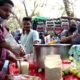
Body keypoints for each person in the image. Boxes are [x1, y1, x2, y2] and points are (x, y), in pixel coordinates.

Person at [0, 0, 24, 79]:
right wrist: (16, 49)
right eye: (5, 10)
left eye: (10, 11)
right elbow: (3, 44)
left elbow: (4, 50)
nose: (8, 14)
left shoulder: (3, 28)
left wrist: (15, 59)